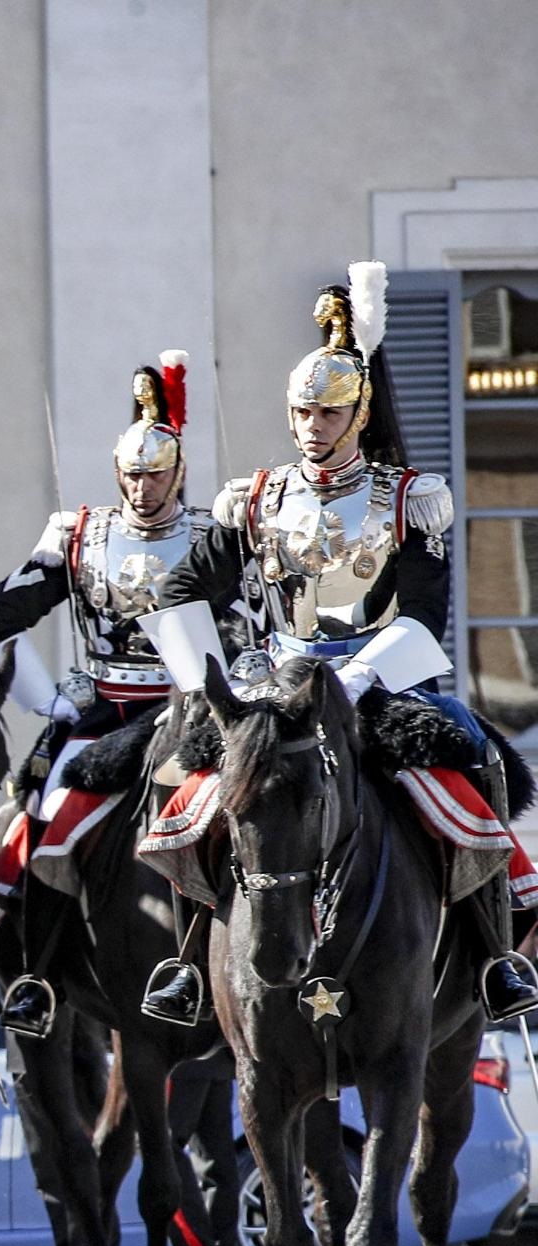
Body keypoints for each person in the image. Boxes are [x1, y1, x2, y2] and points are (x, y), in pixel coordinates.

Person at [134, 263, 538, 1024]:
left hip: (378, 681)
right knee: (191, 792)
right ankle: (187, 962)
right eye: (302, 414)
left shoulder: (407, 501)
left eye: (328, 415)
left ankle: (494, 957)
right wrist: (208, 690)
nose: (312, 428)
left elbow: (423, 615)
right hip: (277, 681)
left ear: (358, 415)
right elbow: (180, 590)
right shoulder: (255, 501)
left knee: (469, 763)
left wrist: (353, 680)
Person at [0, 354, 217, 1039]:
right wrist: (47, 696)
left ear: (179, 473)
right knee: (48, 819)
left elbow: (244, 626)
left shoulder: (212, 536)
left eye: (156, 475)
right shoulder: (83, 536)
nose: (143, 489)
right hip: (104, 715)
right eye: (133, 476)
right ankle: (38, 978)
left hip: (190, 711)